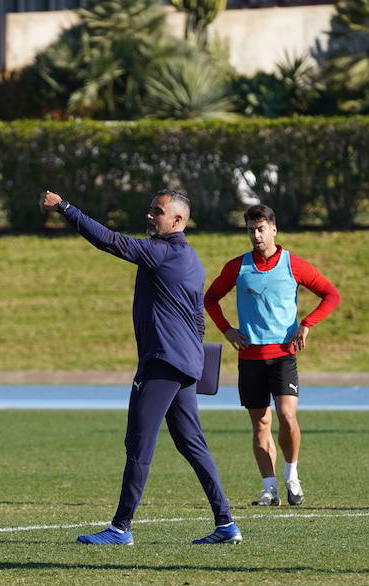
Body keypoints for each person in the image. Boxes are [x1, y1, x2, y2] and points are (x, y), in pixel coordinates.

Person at [40, 188, 239, 545]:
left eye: (157, 211)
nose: (149, 215)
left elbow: (110, 241)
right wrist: (194, 361)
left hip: (163, 363)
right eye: (150, 209)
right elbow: (197, 320)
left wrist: (66, 208)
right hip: (182, 364)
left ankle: (120, 528)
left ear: (178, 220)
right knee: (193, 445)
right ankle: (226, 524)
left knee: (139, 443)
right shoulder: (192, 259)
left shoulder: (161, 253)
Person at [203, 203, 340, 507]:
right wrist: (227, 330)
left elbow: (332, 295)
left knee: (287, 416)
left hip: (283, 354)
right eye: (251, 229)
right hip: (250, 357)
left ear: (274, 230)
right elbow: (210, 299)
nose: (256, 235)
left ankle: (292, 478)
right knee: (260, 425)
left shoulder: (294, 265)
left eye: (261, 228)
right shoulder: (237, 267)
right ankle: (269, 488)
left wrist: (306, 325)